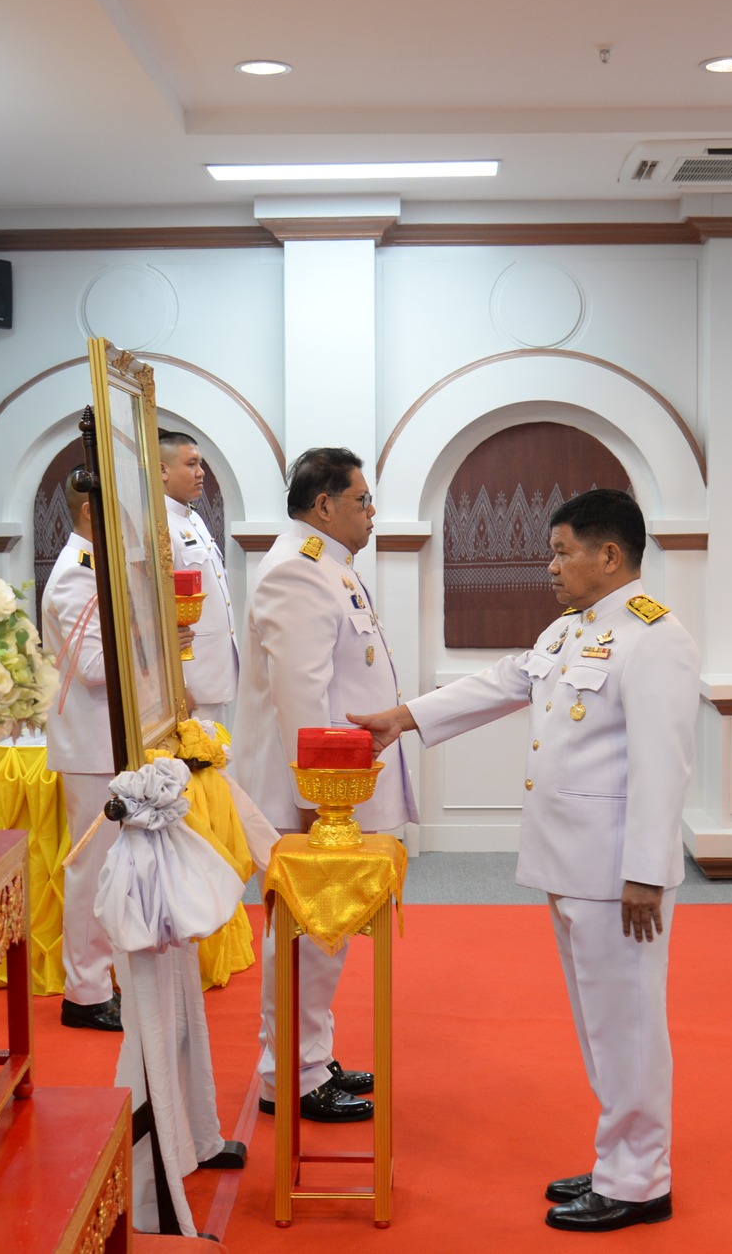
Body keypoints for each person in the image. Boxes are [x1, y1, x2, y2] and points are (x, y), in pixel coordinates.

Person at [353, 488, 699, 1233]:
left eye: (564, 551)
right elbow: (508, 679)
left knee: (628, 1024)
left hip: (615, 874)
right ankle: (619, 1159)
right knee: (599, 1024)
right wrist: (406, 716)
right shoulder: (575, 627)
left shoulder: (654, 636)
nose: (551, 565)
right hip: (571, 861)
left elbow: (663, 766)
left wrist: (646, 871)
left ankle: (641, 1179)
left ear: (611, 556)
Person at [232, 447, 414, 1123]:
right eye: (362, 499)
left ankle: (314, 1052)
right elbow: (302, 699)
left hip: (334, 792)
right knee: (308, 933)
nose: (372, 511)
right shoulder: (297, 573)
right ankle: (293, 1074)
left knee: (326, 934)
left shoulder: (328, 568)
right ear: (323, 505)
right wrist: (321, 805)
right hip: (312, 796)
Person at [40, 482, 122, 1031]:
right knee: (92, 870)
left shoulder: (100, 565)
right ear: (91, 510)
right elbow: (95, 667)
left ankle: (102, 978)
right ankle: (85, 993)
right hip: (92, 744)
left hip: (108, 741)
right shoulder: (76, 571)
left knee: (112, 867)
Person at [161, 430, 240, 728]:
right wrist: (175, 685)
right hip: (190, 679)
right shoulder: (157, 526)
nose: (201, 472)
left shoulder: (192, 518)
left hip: (212, 671)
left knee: (217, 766)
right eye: (192, 464)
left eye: (201, 463)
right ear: (162, 470)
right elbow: (157, 611)